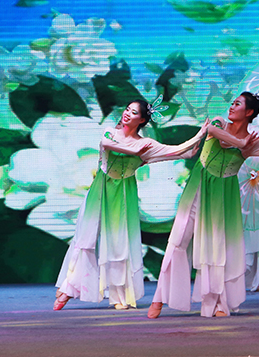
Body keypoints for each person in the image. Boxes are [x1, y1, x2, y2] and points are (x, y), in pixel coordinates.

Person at [148, 92, 259, 317]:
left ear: (249, 112)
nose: (232, 107)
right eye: (232, 103)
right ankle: (159, 298)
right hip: (199, 187)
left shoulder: (252, 142)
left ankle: (217, 302)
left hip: (224, 195)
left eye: (237, 104)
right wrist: (241, 144)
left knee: (219, 247)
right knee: (178, 240)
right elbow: (212, 131)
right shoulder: (220, 123)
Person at [54, 100, 208, 311]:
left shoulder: (146, 144)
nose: (127, 113)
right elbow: (108, 145)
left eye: (134, 112)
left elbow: (174, 150)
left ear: (142, 120)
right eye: (127, 109)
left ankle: (120, 295)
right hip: (100, 191)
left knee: (120, 244)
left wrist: (198, 137)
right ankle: (69, 288)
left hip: (124, 194)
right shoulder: (111, 134)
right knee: (86, 239)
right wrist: (138, 150)